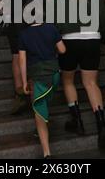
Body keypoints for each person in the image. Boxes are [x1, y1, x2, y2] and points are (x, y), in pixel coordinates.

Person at [56, 0, 105, 149]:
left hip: (68, 40)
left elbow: (53, 21)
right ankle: (101, 124)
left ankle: (76, 119)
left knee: (68, 81)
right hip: (93, 40)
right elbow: (103, 21)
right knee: (91, 83)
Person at [0, 0, 50, 115]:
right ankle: (37, 92)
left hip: (15, 13)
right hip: (36, 13)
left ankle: (20, 93)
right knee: (34, 52)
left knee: (15, 54)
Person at [18, 20, 66, 158]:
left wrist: (24, 81)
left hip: (39, 77)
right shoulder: (51, 28)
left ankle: (47, 153)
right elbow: (63, 49)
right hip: (54, 74)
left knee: (39, 112)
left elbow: (22, 60)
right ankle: (43, 125)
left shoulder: (23, 34)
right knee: (44, 104)